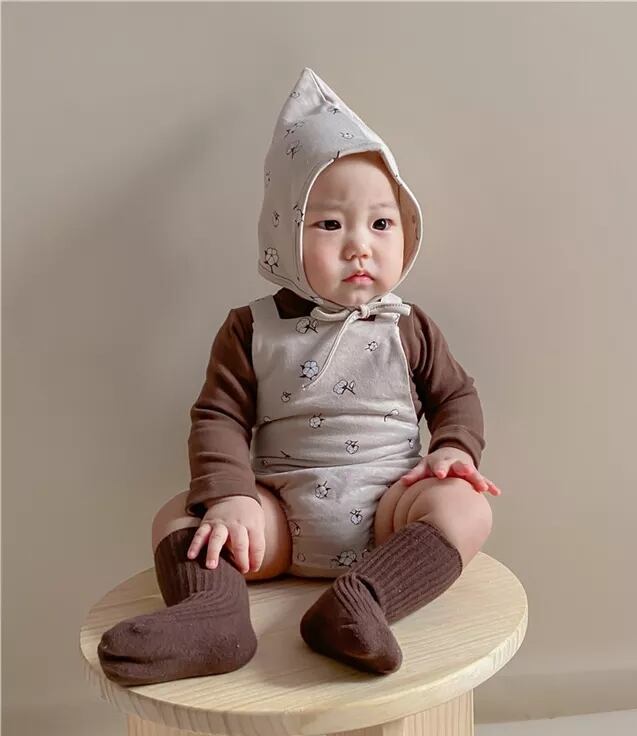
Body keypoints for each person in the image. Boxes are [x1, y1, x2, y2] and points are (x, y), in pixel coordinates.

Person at [97, 67, 501, 684]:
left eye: (381, 224)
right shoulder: (252, 327)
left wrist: (453, 450)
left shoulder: (408, 326)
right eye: (330, 224)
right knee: (179, 515)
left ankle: (363, 603)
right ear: (285, 234)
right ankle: (213, 619)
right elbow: (218, 416)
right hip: (279, 517)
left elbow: (456, 397)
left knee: (469, 509)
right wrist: (231, 495)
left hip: (391, 513)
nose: (360, 246)